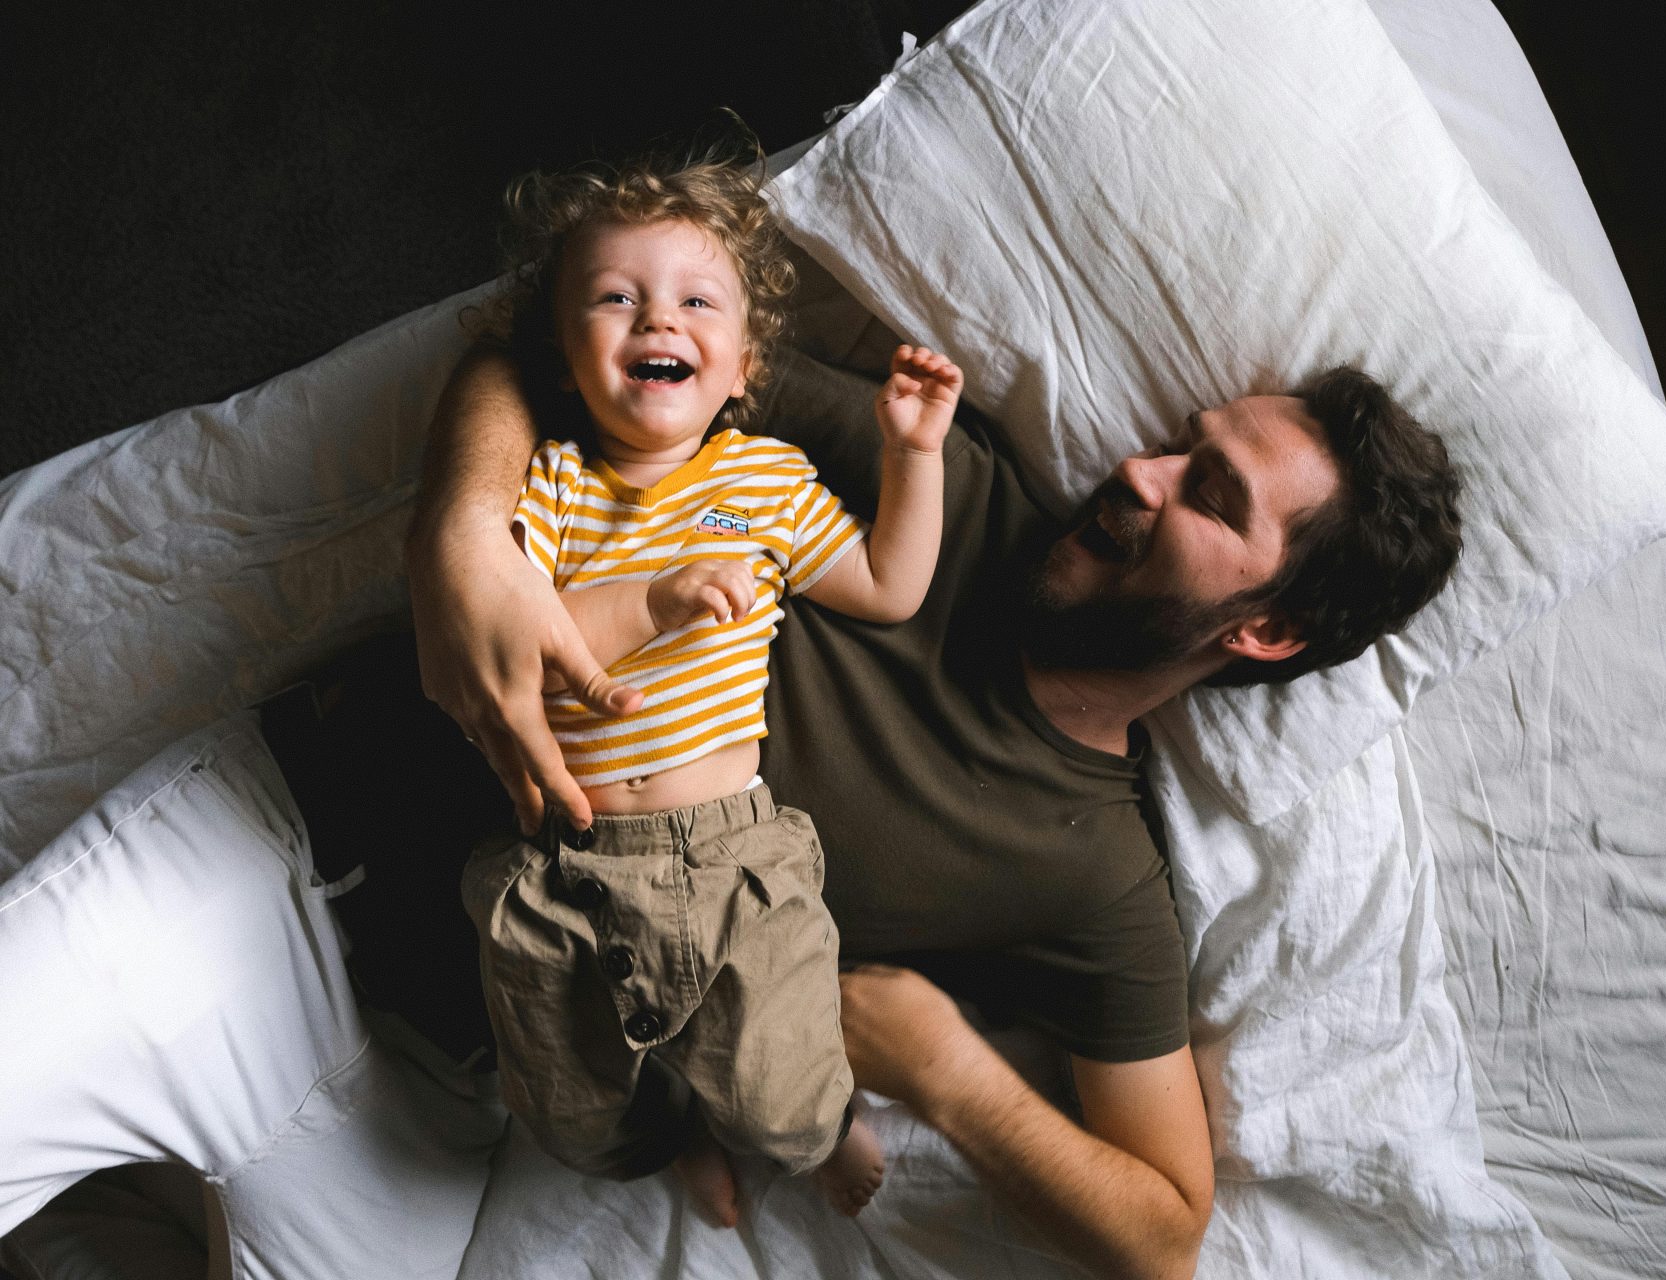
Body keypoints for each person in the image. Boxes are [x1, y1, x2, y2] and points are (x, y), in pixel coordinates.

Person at [410, 333, 1463, 1275]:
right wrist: (462, 533)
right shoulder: (939, 482)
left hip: (464, 1031)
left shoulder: (1092, 873)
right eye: (1182, 445)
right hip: (355, 748)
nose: (1143, 470)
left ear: (1266, 631)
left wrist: (953, 1073)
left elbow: (1165, 1235)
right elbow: (545, 338)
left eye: (1210, 495)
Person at [451, 154, 965, 1220]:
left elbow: (888, 585)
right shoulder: (548, 485)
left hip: (730, 855)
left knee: (779, 1080)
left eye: (695, 300)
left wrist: (915, 456)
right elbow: (522, 643)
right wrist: (650, 601)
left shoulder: (763, 480)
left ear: (739, 365)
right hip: (565, 859)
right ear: (564, 352)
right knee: (569, 1107)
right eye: (615, 298)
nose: (658, 319)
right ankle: (661, 1136)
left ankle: (811, 1127)